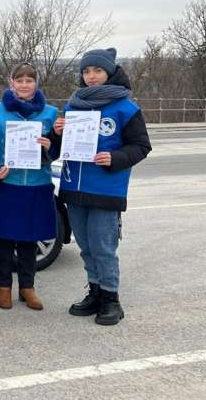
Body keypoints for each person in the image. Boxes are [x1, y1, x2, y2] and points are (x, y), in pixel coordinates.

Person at [50, 48, 151, 325]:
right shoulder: (73, 105)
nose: (91, 76)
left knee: (103, 247)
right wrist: (56, 134)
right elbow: (58, 150)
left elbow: (141, 146)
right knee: (85, 247)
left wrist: (115, 158)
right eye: (86, 71)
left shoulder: (125, 108)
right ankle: (94, 292)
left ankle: (110, 299)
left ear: (109, 72)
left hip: (106, 189)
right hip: (74, 186)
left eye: (97, 71)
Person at [0, 63, 58, 311]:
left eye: (29, 80)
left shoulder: (51, 113)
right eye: (20, 80)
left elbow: (56, 151)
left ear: (37, 83)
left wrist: (49, 147)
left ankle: (28, 288)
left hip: (37, 184)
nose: (25, 85)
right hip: (7, 184)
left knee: (29, 240)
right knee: (2, 240)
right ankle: (3, 288)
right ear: (11, 82)